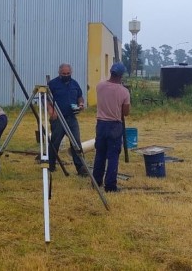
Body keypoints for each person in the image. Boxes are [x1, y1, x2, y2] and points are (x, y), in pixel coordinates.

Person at [92, 62, 131, 193]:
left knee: (100, 154)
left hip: (101, 124)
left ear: (111, 71)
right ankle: (110, 186)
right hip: (115, 125)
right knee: (113, 156)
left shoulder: (100, 86)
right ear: (121, 75)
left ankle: (96, 182)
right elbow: (125, 112)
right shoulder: (124, 92)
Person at [47, 63, 88, 176]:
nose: (66, 75)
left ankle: (81, 168)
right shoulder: (52, 84)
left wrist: (81, 103)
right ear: (59, 73)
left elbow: (80, 96)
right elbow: (45, 98)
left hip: (71, 118)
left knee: (76, 143)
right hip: (58, 119)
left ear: (71, 73)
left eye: (68, 73)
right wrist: (51, 109)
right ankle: (50, 165)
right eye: (64, 74)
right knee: (55, 142)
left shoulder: (75, 84)